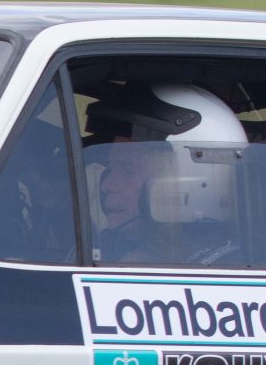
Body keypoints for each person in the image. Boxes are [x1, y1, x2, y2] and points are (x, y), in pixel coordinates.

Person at [82, 83, 249, 267]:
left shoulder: (227, 271)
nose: (107, 185)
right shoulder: (110, 248)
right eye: (110, 169)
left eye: (128, 171)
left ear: (190, 187)